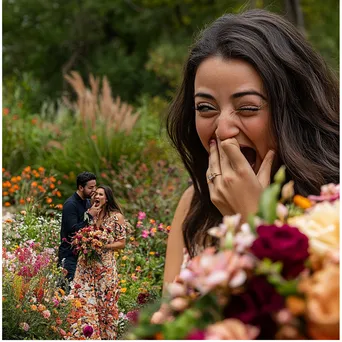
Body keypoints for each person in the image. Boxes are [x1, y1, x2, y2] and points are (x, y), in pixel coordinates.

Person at [161, 9, 339, 297]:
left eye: (247, 108)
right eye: (206, 108)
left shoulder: (331, 211)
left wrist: (253, 220)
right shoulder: (193, 204)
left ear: (293, 112)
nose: (222, 130)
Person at [67, 185, 127, 340]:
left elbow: (121, 243)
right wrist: (83, 241)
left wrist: (103, 245)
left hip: (104, 267)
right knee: (82, 299)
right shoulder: (90, 214)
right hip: (86, 266)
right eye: (95, 194)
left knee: (104, 304)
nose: (96, 196)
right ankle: (84, 336)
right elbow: (77, 233)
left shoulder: (116, 217)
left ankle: (106, 337)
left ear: (107, 198)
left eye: (100, 194)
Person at [58, 171, 98, 282]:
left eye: (95, 186)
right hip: (69, 256)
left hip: (81, 256)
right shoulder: (70, 204)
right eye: (90, 187)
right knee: (67, 291)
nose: (94, 190)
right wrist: (90, 216)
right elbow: (73, 230)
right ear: (81, 187)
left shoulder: (87, 202)